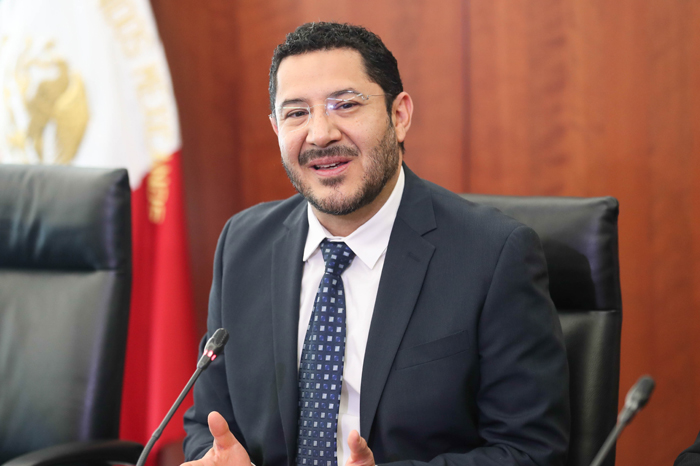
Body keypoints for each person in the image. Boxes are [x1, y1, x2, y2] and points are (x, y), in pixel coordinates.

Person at [183, 22, 570, 466]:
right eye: (296, 113)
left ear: (399, 115)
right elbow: (208, 424)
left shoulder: (494, 255)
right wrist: (213, 457)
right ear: (276, 128)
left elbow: (531, 451)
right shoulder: (242, 245)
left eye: (346, 105)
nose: (320, 134)